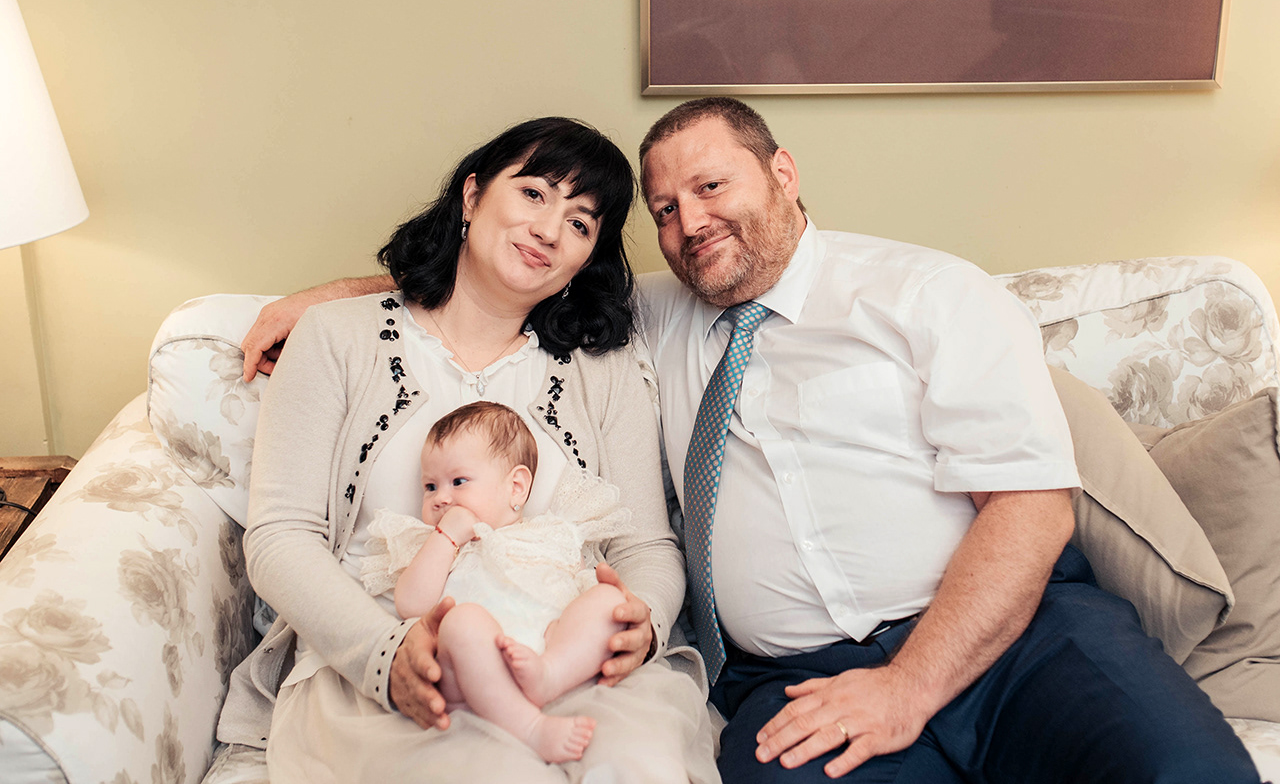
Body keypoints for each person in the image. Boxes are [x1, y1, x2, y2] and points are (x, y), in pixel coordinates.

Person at [237, 99, 1261, 784]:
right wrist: (335, 297)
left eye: (713, 187)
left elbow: (1032, 507)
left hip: (1016, 635)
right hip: (795, 676)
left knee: (1184, 773)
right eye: (666, 209)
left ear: (781, 171)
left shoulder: (926, 292)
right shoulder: (649, 316)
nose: (691, 223)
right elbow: (496, 285)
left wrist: (905, 686)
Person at [214, 116, 719, 784]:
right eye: (533, 194)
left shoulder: (604, 366)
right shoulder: (336, 337)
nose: (549, 230)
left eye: (579, 223)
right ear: (473, 195)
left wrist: (641, 621)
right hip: (398, 661)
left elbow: (647, 545)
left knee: (639, 766)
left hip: (566, 660)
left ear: (586, 258)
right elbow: (281, 538)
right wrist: (384, 655)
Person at [358, 400, 633, 764]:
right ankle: (530, 727)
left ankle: (549, 675)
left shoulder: (552, 531)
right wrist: (446, 537)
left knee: (609, 599)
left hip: (552, 654)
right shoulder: (440, 547)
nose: (441, 498)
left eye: (458, 482)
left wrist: (596, 603)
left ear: (516, 487)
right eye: (430, 486)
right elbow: (411, 606)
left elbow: (577, 587)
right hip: (473, 675)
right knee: (461, 621)